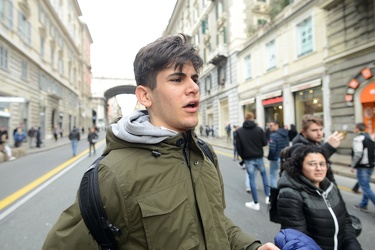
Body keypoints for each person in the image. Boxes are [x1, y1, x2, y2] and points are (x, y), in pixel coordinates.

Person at [43, 34, 279, 250]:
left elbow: (215, 225)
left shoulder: (204, 155)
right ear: (145, 96)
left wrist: (251, 247)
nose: (194, 88)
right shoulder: (111, 176)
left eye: (194, 78)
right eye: (177, 79)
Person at [277, 145, 361, 250]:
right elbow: (299, 241)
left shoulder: (331, 187)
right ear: (299, 166)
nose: (318, 168)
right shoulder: (290, 195)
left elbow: (346, 222)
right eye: (312, 164)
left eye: (322, 164)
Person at [236, 112, 270, 211]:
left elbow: (238, 147)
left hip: (248, 158)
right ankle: (268, 197)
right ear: (253, 118)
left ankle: (256, 203)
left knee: (252, 179)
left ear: (245, 119)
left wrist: (243, 157)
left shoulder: (239, 131)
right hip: (259, 156)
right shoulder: (259, 129)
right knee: (264, 176)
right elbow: (264, 143)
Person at [350, 122, 375, 212]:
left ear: (357, 129)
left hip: (363, 167)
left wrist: (353, 165)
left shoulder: (358, 139)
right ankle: (363, 205)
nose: (354, 130)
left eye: (354, 128)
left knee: (366, 188)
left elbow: (358, 154)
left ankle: (363, 204)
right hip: (370, 167)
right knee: (366, 186)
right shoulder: (370, 138)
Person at [267, 121, 289, 188]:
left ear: (276, 125)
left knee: (272, 175)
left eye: (271, 125)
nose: (269, 127)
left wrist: (270, 158)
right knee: (284, 176)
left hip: (275, 158)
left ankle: (274, 193)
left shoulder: (273, 135)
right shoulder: (285, 134)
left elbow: (272, 149)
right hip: (284, 158)